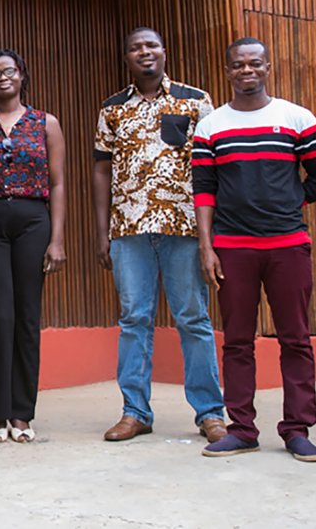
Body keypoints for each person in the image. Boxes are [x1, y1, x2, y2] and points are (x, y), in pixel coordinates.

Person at [194, 38, 316, 462]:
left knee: (295, 339)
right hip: (232, 247)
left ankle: (297, 429)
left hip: (288, 244)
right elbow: (203, 191)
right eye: (238, 65)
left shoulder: (296, 118)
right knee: (237, 341)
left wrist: (290, 202)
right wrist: (207, 247)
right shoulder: (212, 126)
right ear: (228, 72)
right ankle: (242, 429)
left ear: (268, 67)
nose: (246, 71)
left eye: (254, 63)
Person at [93, 27, 226, 443]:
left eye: (151, 45)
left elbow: (213, 164)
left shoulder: (195, 100)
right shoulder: (113, 108)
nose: (144, 52)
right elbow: (101, 169)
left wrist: (212, 233)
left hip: (184, 227)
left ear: (163, 52)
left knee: (194, 318)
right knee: (134, 319)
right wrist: (102, 232)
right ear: (126, 57)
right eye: (135, 47)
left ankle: (210, 413)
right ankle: (135, 412)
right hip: (129, 228)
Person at [0, 49, 66, 444]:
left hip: (33, 222)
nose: (3, 78)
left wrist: (57, 239)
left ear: (22, 75)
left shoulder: (46, 123)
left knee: (26, 315)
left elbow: (57, 183)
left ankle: (22, 413)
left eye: (10, 71)